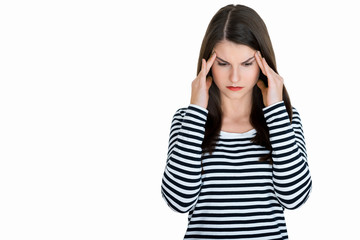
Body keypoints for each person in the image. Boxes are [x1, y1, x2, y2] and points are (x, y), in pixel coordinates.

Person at [161, 4, 312, 240]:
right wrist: (196, 109)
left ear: (263, 64)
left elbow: (295, 197)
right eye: (223, 64)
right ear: (208, 64)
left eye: (246, 63)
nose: (234, 77)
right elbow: (178, 201)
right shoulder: (186, 120)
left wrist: (275, 109)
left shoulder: (285, 119)